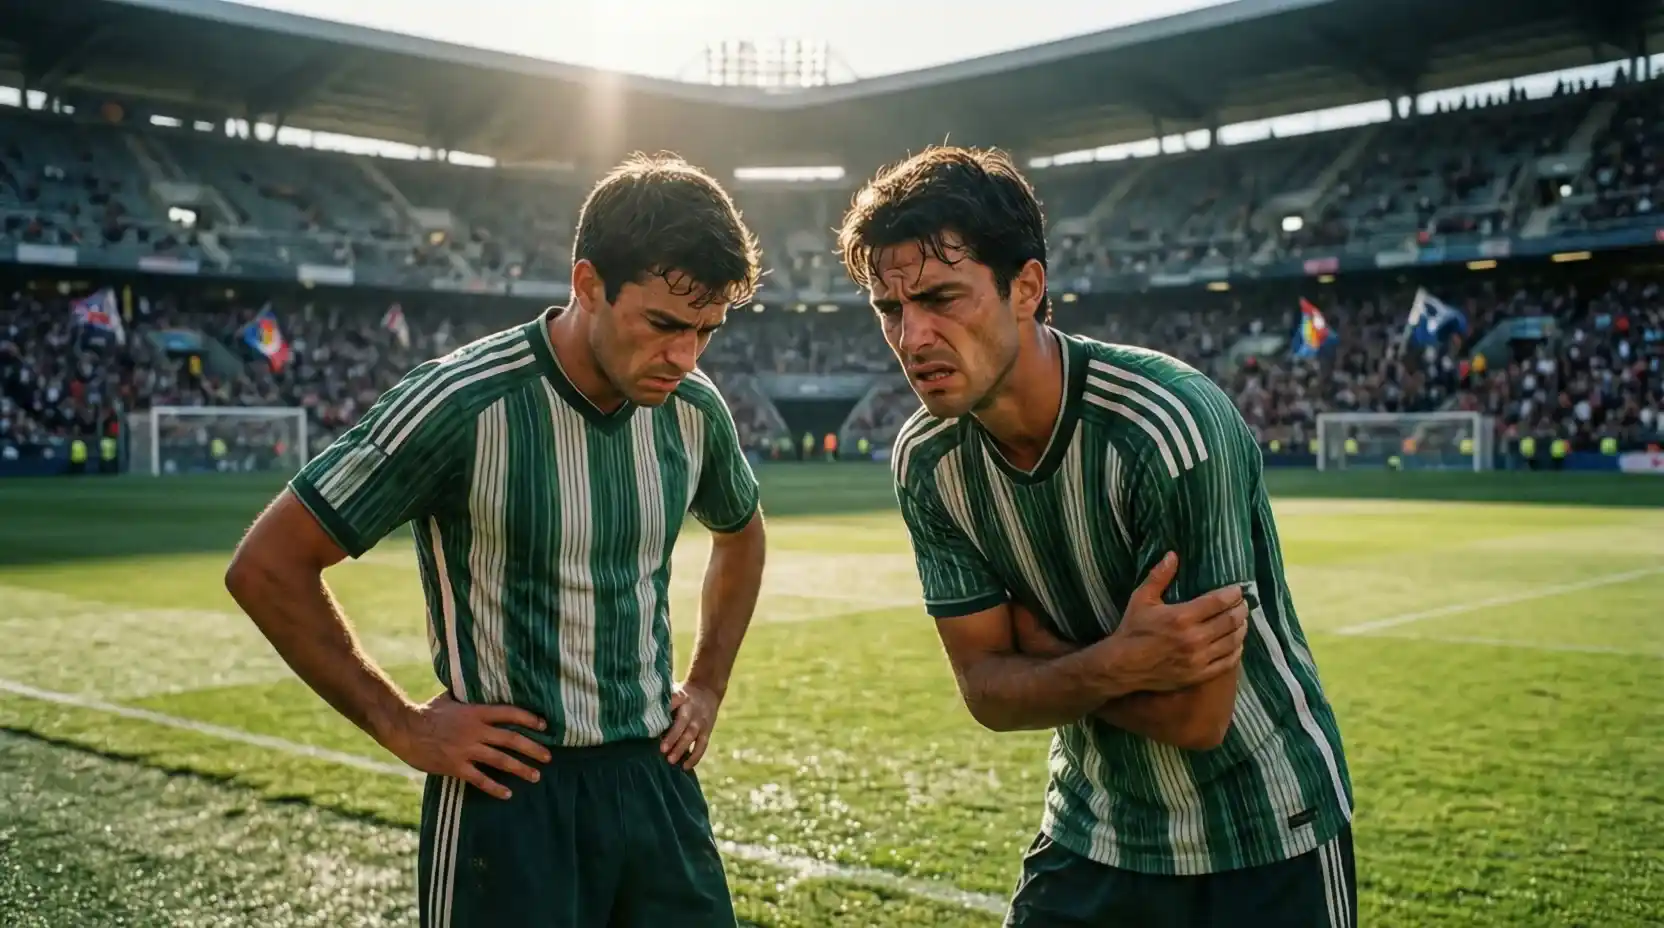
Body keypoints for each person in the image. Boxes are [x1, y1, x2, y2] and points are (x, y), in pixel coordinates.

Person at [225, 152, 768, 928]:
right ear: (588, 285)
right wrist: (402, 724)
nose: (684, 357)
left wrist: (707, 684)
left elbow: (741, 535)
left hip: (657, 782)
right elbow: (268, 566)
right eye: (664, 325)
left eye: (706, 332)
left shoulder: (693, 410)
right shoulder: (461, 403)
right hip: (512, 795)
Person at [836, 146, 1355, 927]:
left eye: (943, 298)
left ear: (1027, 289)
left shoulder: (1168, 427)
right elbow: (985, 693)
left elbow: (1196, 719)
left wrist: (1045, 660)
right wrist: (1117, 662)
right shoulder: (928, 460)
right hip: (1093, 830)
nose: (912, 338)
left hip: (1264, 835)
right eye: (890, 309)